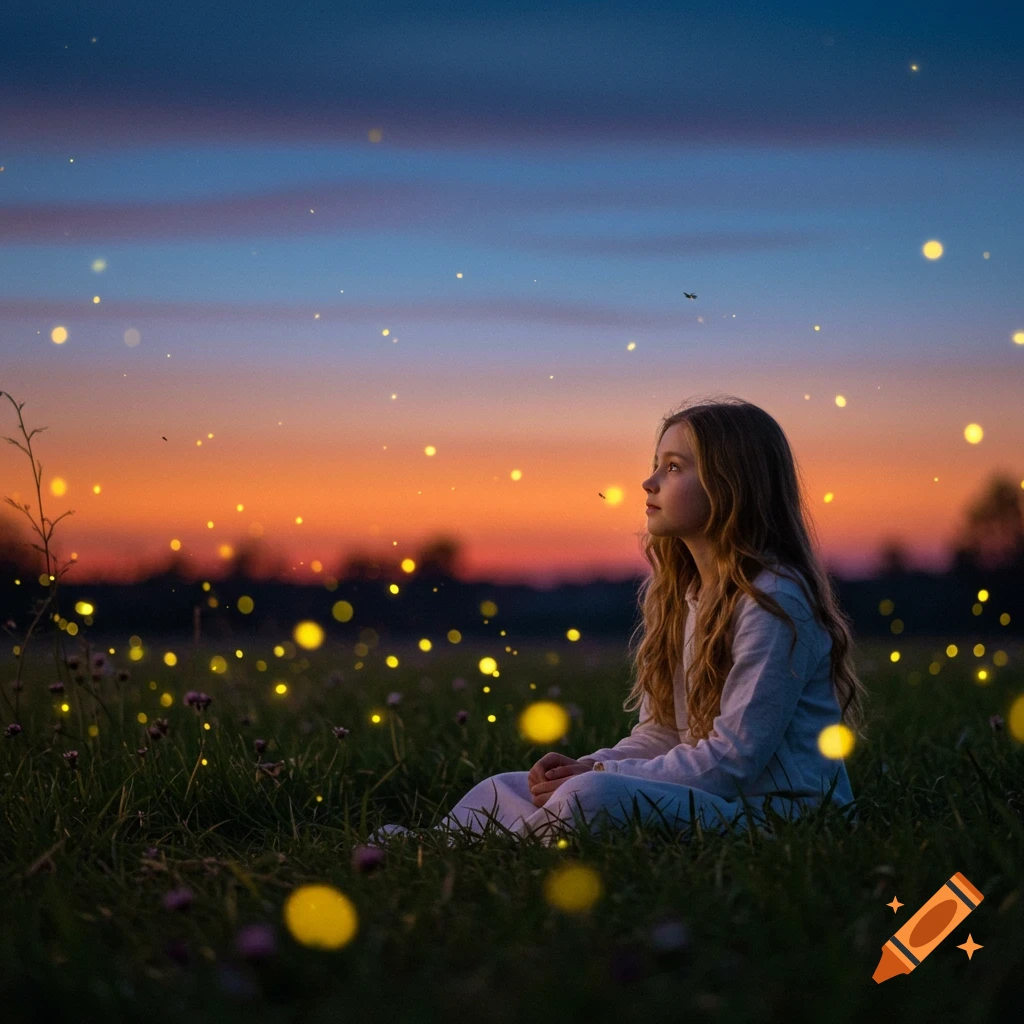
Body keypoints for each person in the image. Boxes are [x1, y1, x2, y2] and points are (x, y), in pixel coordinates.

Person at [367, 396, 868, 849]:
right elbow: (661, 733)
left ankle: (498, 848)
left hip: (781, 816)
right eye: (656, 465)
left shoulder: (773, 600)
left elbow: (734, 761)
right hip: (713, 796)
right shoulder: (681, 594)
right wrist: (588, 766)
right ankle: (441, 843)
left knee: (594, 796)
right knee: (504, 786)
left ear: (732, 486)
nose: (649, 483)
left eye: (673, 468)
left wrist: (598, 774)